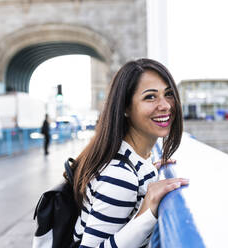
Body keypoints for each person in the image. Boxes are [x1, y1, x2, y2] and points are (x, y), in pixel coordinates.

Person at [70, 58, 189, 248]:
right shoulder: (120, 175)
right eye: (150, 97)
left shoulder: (133, 160)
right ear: (126, 108)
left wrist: (150, 168)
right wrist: (147, 213)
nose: (165, 105)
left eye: (168, 94)